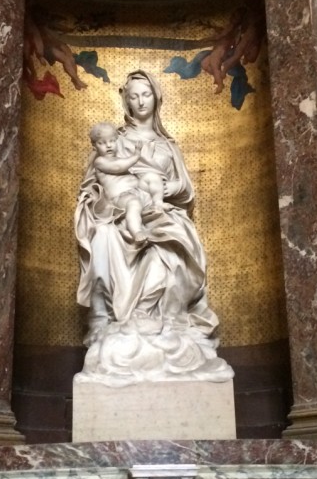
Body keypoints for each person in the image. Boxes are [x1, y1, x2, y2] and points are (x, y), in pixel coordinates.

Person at [75, 70, 233, 384]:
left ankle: (167, 322)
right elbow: (92, 188)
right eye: (133, 96)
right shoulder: (113, 142)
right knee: (104, 236)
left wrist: (163, 189)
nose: (140, 101)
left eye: (145, 94)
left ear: (156, 97)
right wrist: (111, 205)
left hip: (163, 211)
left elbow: (186, 190)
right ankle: (115, 321)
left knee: (172, 244)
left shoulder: (167, 145)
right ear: (125, 100)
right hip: (121, 212)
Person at [87, 121, 165, 244]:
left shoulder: (120, 157)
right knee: (134, 204)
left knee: (152, 177)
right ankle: (136, 231)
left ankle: (158, 202)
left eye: (112, 141)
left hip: (139, 191)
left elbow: (131, 167)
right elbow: (118, 167)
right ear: (94, 146)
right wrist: (136, 156)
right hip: (121, 198)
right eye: (102, 143)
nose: (108, 145)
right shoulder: (100, 161)